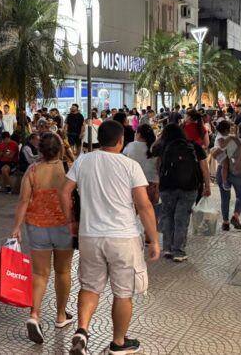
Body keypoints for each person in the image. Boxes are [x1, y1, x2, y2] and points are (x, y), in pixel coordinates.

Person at [59, 120, 159, 355]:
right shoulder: (130, 165)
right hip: (123, 238)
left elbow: (64, 191)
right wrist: (154, 239)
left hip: (90, 235)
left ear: (98, 139)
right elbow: (144, 206)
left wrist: (70, 220)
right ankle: (119, 342)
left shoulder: (83, 160)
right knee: (123, 293)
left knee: (90, 287)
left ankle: (82, 330)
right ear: (121, 140)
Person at [11, 133, 75, 345]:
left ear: (40, 151)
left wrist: (17, 227)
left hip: (37, 227)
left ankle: (34, 315)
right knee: (63, 271)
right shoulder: (68, 168)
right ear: (60, 149)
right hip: (64, 226)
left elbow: (23, 200)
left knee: (40, 274)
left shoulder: (32, 170)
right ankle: (61, 316)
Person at [152, 124, 210, 262]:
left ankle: (167, 248)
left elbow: (155, 158)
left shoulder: (164, 146)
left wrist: (159, 138)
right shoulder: (194, 146)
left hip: (167, 186)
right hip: (189, 187)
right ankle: (178, 251)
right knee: (182, 218)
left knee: (168, 216)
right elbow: (204, 168)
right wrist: (207, 186)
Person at [212, 121, 241, 231]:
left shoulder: (230, 141)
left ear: (238, 130)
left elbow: (216, 154)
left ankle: (225, 222)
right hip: (240, 174)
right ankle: (235, 216)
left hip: (225, 172)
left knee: (225, 198)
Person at [122, 126, 159, 210]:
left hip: (134, 183)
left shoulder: (130, 146)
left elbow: (123, 162)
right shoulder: (156, 147)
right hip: (152, 183)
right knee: (151, 211)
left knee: (134, 211)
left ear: (138, 134)